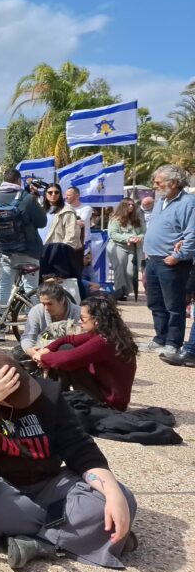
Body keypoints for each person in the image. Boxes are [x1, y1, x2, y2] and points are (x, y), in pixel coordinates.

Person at [0, 350, 137, 570]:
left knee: (123, 499)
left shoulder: (47, 391)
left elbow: (79, 447)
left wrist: (112, 494)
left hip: (47, 482)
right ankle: (84, 535)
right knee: (9, 511)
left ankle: (34, 541)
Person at [34, 296, 138, 411]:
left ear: (96, 320)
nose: (79, 321)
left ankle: (55, 399)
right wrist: (47, 349)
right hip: (107, 395)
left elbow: (68, 359)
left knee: (65, 352)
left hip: (109, 405)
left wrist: (42, 357)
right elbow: (69, 339)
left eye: (82, 318)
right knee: (65, 347)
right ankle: (57, 396)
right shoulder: (110, 334)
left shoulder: (104, 342)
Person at [0, 169, 48, 340]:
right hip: (29, 251)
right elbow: (42, 222)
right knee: (31, 289)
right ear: (18, 181)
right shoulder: (27, 199)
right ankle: (38, 329)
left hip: (5, 251)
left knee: (4, 289)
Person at [142, 165, 195, 358]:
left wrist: (177, 256)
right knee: (155, 303)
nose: (154, 185)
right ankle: (161, 338)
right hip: (153, 260)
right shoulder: (160, 202)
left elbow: (192, 234)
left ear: (173, 183)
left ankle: (173, 342)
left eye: (158, 182)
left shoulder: (188, 203)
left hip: (172, 263)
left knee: (174, 305)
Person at [19, 280, 82, 359]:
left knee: (67, 348)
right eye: (43, 303)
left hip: (67, 353)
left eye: (49, 304)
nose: (46, 308)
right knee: (18, 352)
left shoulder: (79, 313)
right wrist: (30, 350)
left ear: (62, 300)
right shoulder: (36, 311)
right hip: (41, 348)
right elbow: (28, 336)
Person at [39, 182, 83, 291]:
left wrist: (63, 252)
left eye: (56, 192)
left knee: (60, 286)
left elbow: (71, 236)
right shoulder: (40, 211)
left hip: (58, 254)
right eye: (50, 192)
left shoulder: (67, 211)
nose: (53, 194)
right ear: (45, 194)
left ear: (60, 194)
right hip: (40, 252)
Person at [107, 198, 145, 301]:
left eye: (133, 205)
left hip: (134, 248)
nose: (131, 206)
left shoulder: (138, 219)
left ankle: (127, 291)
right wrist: (127, 238)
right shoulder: (115, 219)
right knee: (119, 269)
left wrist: (139, 238)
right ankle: (120, 292)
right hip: (118, 246)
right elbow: (113, 234)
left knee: (131, 271)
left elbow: (143, 232)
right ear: (123, 206)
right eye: (129, 205)